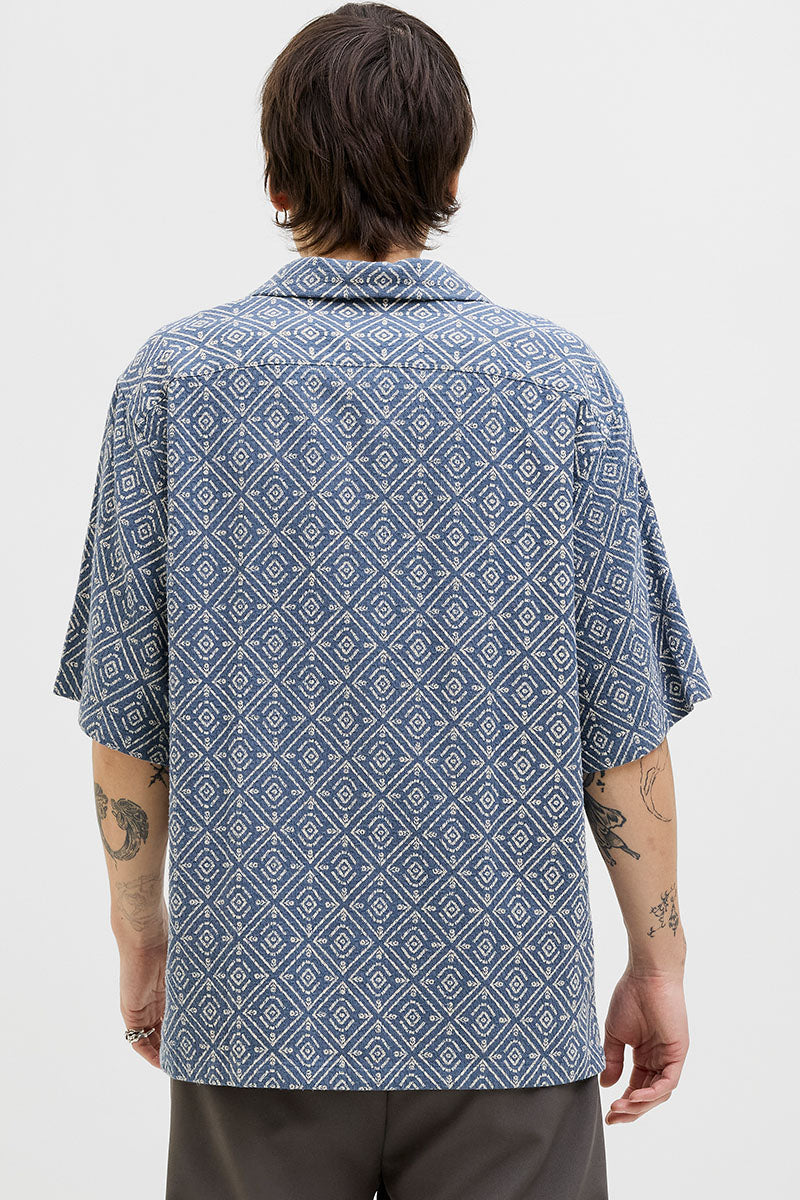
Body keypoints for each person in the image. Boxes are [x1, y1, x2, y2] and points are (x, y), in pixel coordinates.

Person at [52, 4, 712, 1198]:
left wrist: (141, 941)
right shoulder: (558, 387)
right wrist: (656, 962)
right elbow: (622, 731)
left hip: (257, 1012)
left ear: (274, 177)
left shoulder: (173, 384)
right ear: (451, 171)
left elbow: (126, 726)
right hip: (508, 1017)